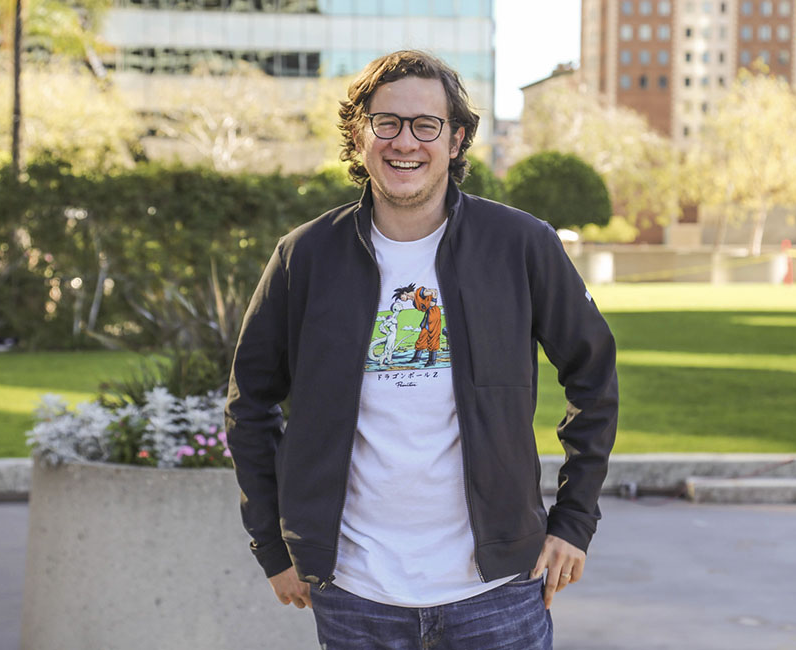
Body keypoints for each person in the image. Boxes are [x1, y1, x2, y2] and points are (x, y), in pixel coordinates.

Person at [225, 50, 618, 650]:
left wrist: (574, 522)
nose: (404, 141)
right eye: (386, 122)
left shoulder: (521, 245)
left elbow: (593, 377)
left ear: (456, 140)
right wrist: (273, 546)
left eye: (425, 124)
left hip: (499, 592)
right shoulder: (304, 257)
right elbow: (249, 404)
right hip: (356, 596)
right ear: (360, 136)